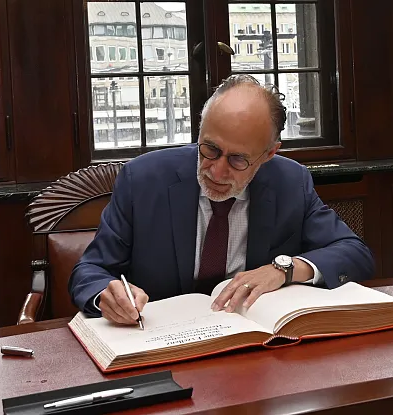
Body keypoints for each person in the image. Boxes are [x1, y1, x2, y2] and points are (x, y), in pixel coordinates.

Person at [70, 75, 375, 325]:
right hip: (160, 339)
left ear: (269, 154)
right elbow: (90, 271)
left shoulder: (290, 182)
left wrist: (285, 269)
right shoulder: (143, 180)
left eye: (238, 159)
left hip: (251, 345)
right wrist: (106, 296)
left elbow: (355, 253)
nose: (216, 171)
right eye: (210, 149)